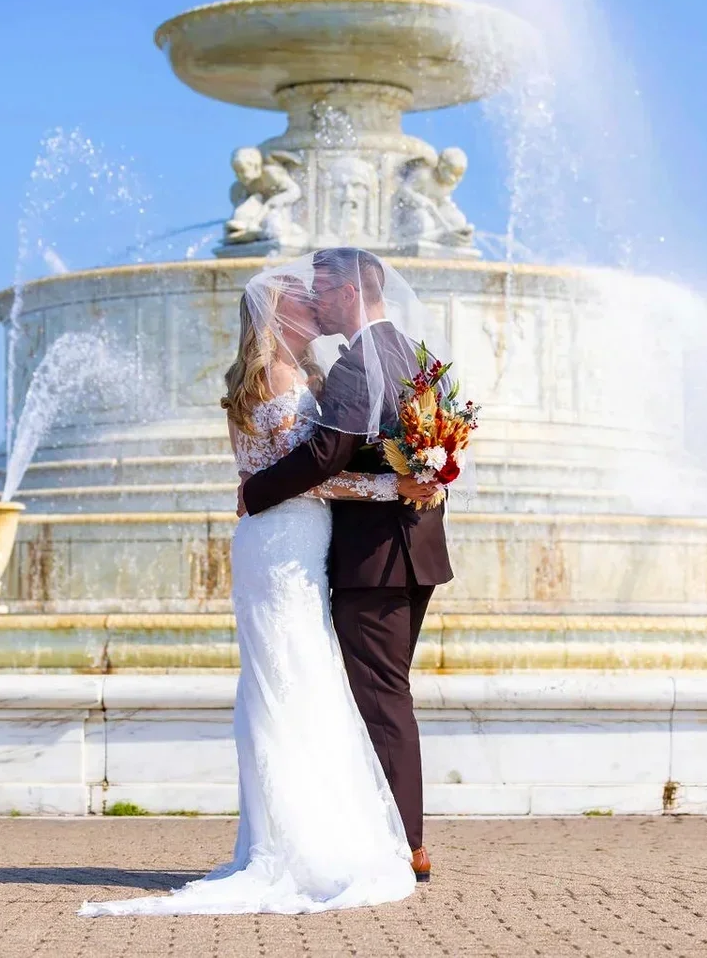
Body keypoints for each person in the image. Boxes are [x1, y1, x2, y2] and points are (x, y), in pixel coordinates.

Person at [79, 254, 443, 917]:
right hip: (295, 545)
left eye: (323, 293)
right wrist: (408, 483)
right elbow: (317, 470)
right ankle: (328, 839)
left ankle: (348, 835)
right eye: (304, 299)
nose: (316, 305)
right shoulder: (363, 363)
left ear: (352, 292)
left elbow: (324, 462)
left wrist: (416, 477)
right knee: (298, 682)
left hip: (322, 545)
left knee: (314, 685)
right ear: (276, 312)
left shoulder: (330, 369)